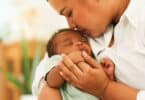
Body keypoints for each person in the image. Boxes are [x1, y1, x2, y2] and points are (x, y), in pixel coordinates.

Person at [33, 0, 145, 100]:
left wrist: (106, 89)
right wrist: (51, 85)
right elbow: (44, 74)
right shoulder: (84, 30)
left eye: (69, 13)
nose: (71, 26)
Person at [41, 28, 115, 100]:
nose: (79, 43)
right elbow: (51, 82)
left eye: (84, 40)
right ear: (55, 53)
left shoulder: (93, 59)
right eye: (69, 43)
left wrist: (106, 70)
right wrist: (66, 63)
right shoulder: (58, 59)